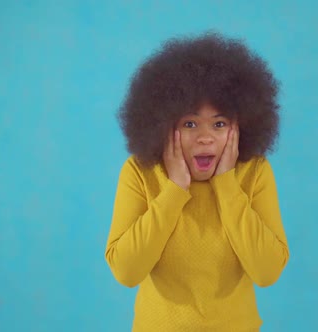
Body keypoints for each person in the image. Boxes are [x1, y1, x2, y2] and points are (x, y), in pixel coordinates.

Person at [105, 32, 290, 331]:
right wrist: (174, 190)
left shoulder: (254, 172)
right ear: (163, 125)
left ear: (240, 127)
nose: (205, 137)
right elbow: (126, 272)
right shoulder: (141, 172)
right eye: (190, 124)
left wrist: (227, 185)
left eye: (219, 124)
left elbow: (267, 272)